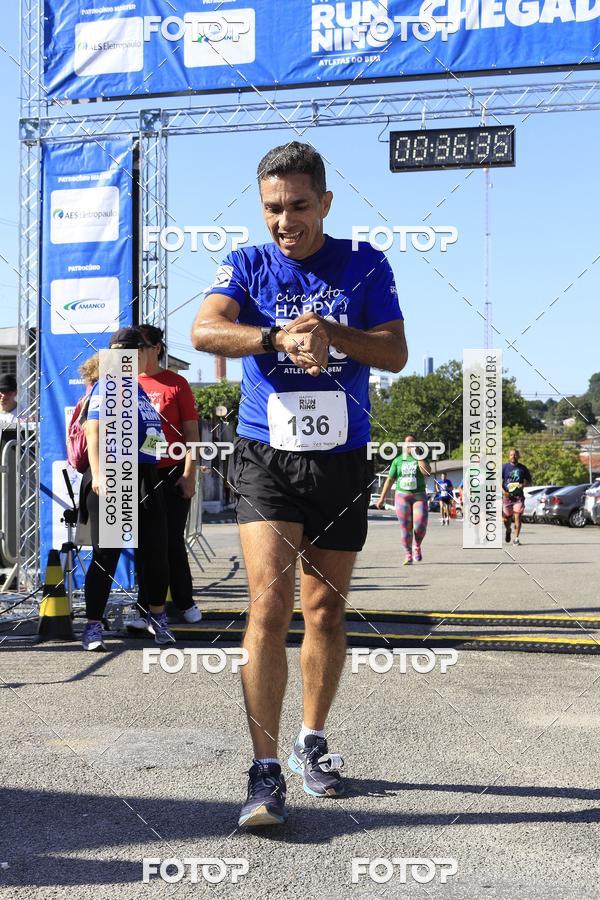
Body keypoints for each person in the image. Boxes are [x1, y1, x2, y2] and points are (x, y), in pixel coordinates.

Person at [192, 140, 407, 827]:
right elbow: (204, 330)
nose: (285, 220)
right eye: (272, 208)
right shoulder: (248, 263)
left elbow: (395, 352)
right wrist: (276, 338)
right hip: (265, 454)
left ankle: (311, 742)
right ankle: (263, 771)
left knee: (324, 612)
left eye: (298, 206)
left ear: (326, 203)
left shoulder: (365, 262)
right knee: (268, 604)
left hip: (341, 457)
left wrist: (331, 332)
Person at [79, 328, 175, 651]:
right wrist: (100, 474)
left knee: (156, 551)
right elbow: (94, 432)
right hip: (114, 475)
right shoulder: (107, 386)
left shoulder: (138, 390)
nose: (132, 359)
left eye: (136, 353)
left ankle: (158, 619)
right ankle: (93, 626)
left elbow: (154, 437)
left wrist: (155, 448)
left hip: (145, 475)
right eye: (127, 354)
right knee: (106, 556)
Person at [129, 323, 202, 626]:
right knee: (146, 543)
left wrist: (189, 474)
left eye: (141, 346)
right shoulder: (125, 383)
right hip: (140, 472)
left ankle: (185, 602)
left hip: (171, 470)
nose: (136, 353)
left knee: (172, 540)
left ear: (156, 348)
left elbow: (192, 435)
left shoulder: (176, 383)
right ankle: (146, 607)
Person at [375, 435, 430, 564]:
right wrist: (382, 498)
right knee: (406, 527)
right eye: (407, 443)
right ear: (403, 446)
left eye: (412, 443)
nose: (410, 445)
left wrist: (418, 456)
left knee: (420, 526)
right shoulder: (397, 460)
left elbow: (427, 472)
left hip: (418, 496)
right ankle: (408, 553)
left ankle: (417, 546)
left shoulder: (420, 459)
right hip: (402, 496)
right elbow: (389, 480)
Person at [502, 447, 532, 545]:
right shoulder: (504, 467)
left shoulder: (523, 468)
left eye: (515, 454)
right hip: (507, 497)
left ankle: (516, 539)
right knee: (506, 518)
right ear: (509, 456)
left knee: (518, 517)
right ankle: (508, 530)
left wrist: (523, 485)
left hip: (518, 497)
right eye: (511, 455)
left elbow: (529, 481)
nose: (513, 456)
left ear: (518, 456)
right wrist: (503, 492)